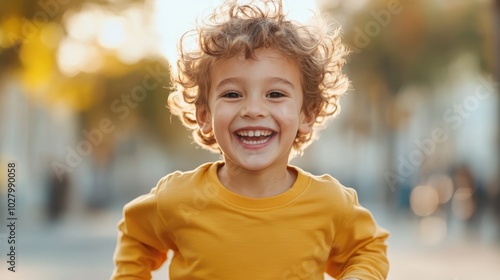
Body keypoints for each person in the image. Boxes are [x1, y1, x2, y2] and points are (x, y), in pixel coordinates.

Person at [111, 0, 389, 279]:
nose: (253, 110)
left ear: (307, 114)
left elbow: (366, 248)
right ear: (205, 115)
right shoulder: (177, 199)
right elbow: (137, 237)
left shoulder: (329, 203)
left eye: (275, 94)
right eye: (232, 94)